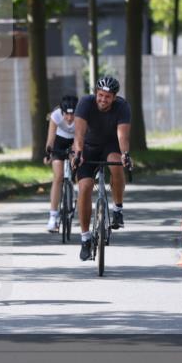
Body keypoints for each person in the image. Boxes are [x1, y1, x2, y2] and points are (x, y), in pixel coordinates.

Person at [71, 76, 132, 261]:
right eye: (100, 95)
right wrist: (78, 154)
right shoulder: (85, 103)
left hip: (110, 145)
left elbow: (122, 136)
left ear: (114, 98)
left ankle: (118, 209)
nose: (103, 99)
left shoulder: (122, 107)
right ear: (95, 93)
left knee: (116, 164)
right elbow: (79, 134)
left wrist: (125, 154)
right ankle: (85, 238)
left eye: (107, 96)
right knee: (85, 187)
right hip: (88, 146)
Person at [43, 94, 78, 232]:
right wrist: (48, 154)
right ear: (62, 112)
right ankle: (53, 217)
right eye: (66, 115)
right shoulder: (56, 115)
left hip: (75, 141)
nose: (69, 118)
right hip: (60, 142)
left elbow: (81, 138)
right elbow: (50, 139)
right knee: (58, 177)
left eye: (72, 115)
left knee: (78, 173)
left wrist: (76, 154)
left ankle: (79, 200)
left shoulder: (82, 115)